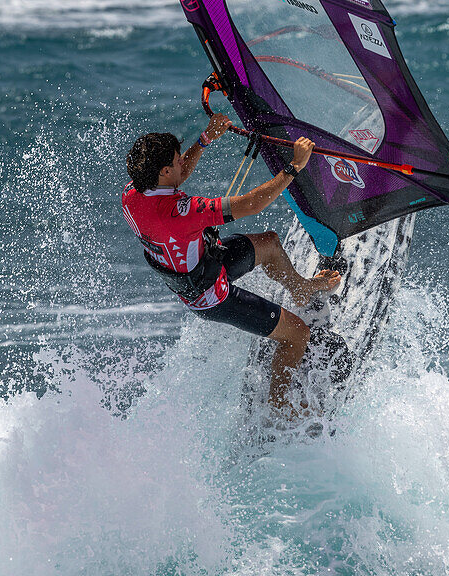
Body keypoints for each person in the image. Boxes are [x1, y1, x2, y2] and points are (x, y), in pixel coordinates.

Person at [122, 113, 341, 414]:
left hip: (205, 263)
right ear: (162, 171)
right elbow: (252, 204)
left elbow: (178, 174)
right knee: (298, 334)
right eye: (175, 161)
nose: (180, 164)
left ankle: (301, 289)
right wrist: (294, 167)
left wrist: (204, 139)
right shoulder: (179, 212)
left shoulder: (132, 193)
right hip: (212, 296)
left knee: (269, 244)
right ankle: (279, 406)